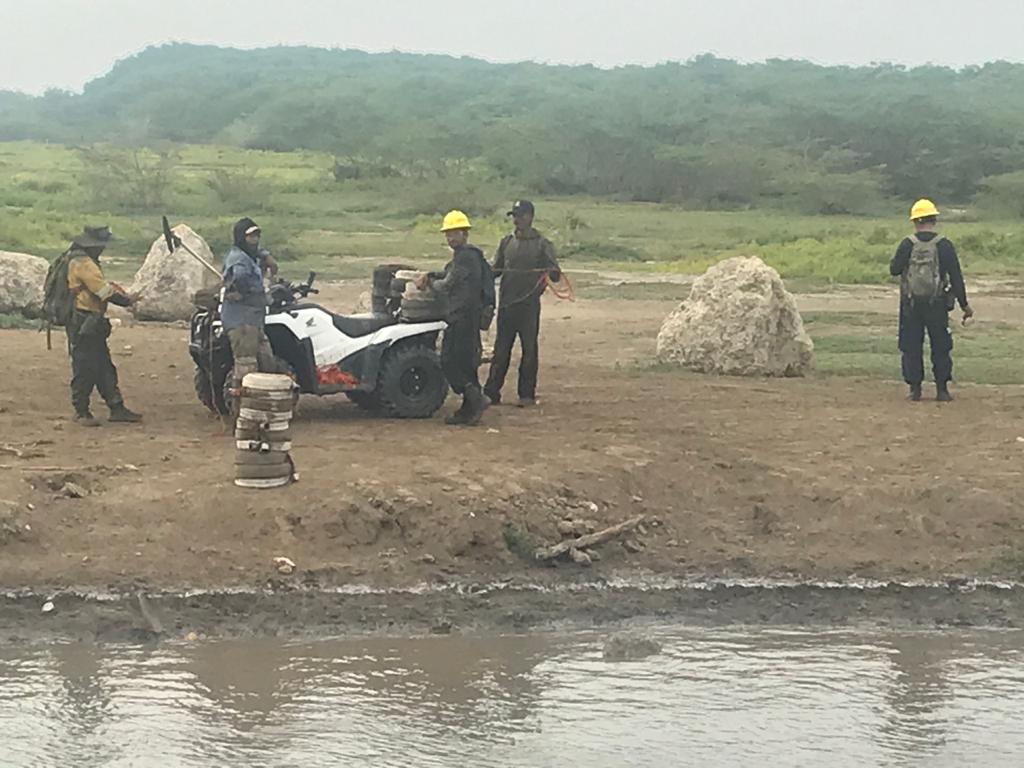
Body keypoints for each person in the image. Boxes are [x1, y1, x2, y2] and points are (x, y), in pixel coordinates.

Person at [889, 199, 973, 402]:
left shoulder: (907, 243)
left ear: (915, 221)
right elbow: (956, 276)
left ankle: (915, 390)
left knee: (911, 345)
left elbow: (893, 270)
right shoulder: (944, 244)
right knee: (941, 345)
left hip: (911, 304)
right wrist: (964, 305)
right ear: (934, 219)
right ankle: (942, 390)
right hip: (937, 304)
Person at [483, 200, 561, 407]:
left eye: (520, 216)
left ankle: (526, 394)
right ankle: (491, 392)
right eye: (514, 216)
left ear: (530, 217)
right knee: (501, 351)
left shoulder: (543, 244)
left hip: (529, 306)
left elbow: (555, 275)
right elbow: (495, 271)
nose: (516, 220)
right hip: (507, 304)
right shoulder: (506, 242)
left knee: (529, 351)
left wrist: (551, 272)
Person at [65, 225, 142, 426]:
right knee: (86, 367)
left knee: (102, 366)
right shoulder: (84, 264)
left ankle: (116, 407)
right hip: (85, 320)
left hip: (89, 320)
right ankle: (81, 411)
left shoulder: (79, 260)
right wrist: (128, 301)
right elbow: (103, 291)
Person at [416, 210, 487, 426]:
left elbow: (447, 285)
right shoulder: (468, 256)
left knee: (450, 361)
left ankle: (476, 399)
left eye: (453, 233)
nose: (449, 238)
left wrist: (429, 284)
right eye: (447, 234)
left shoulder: (465, 257)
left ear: (464, 234)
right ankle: (469, 409)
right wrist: (432, 275)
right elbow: (448, 274)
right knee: (465, 364)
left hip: (462, 317)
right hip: (467, 315)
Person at [221, 217, 280, 389]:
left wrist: (266, 256)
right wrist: (245, 292)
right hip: (242, 321)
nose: (254, 239)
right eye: (250, 236)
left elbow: (258, 253)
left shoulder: (249, 255)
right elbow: (239, 277)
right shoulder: (238, 259)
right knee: (246, 367)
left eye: (256, 235)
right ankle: (242, 406)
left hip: (254, 319)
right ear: (241, 237)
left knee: (267, 362)